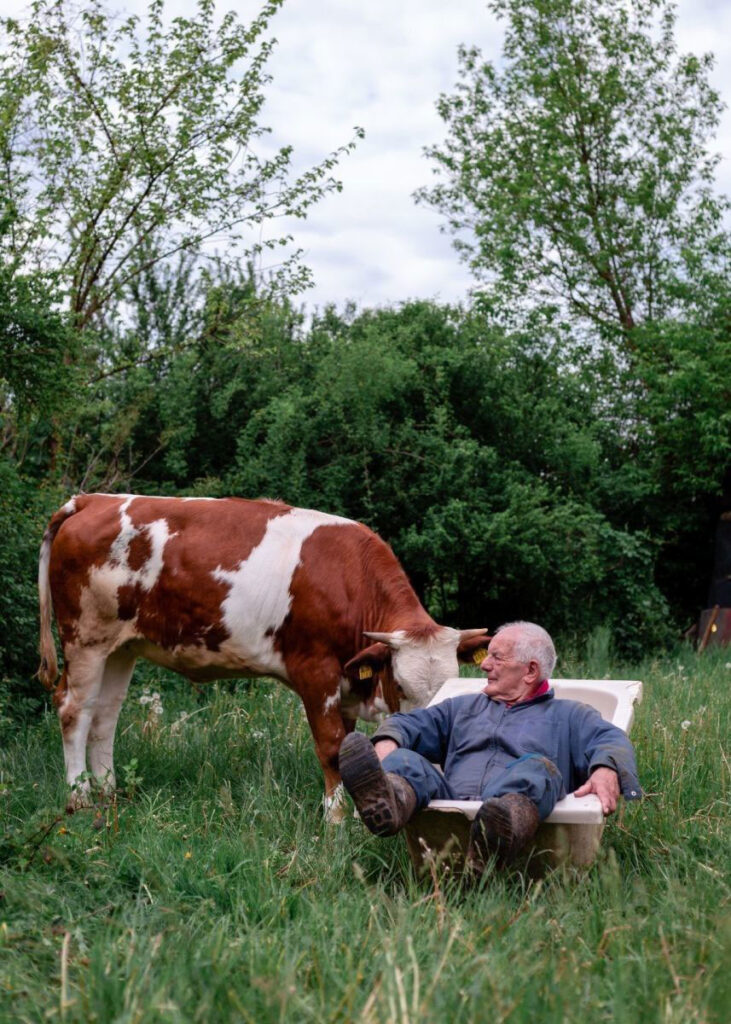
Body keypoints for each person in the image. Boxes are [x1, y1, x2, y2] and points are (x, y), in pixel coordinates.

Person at [339, 621, 641, 871]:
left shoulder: (570, 715)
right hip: (453, 802)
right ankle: (391, 799)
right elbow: (411, 724)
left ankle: (499, 830)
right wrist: (386, 745)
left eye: (497, 657)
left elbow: (611, 738)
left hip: (520, 806)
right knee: (404, 760)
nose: (484, 664)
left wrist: (605, 768)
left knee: (538, 768)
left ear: (530, 671)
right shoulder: (461, 708)